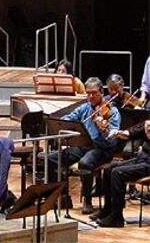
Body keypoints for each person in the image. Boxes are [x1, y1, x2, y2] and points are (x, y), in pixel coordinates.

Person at [48, 77, 120, 214]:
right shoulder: (85, 107)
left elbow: (112, 140)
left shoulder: (112, 112)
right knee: (51, 159)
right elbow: (67, 119)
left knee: (85, 163)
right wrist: (63, 124)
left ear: (102, 92)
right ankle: (63, 197)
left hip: (102, 148)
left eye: (94, 93)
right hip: (84, 146)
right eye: (88, 93)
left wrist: (103, 129)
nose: (91, 96)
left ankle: (87, 200)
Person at [88, 120, 150, 227]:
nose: (148, 128)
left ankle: (117, 216)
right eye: (147, 126)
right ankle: (108, 209)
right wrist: (118, 132)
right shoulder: (147, 128)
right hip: (142, 160)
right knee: (109, 168)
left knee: (118, 173)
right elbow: (130, 134)